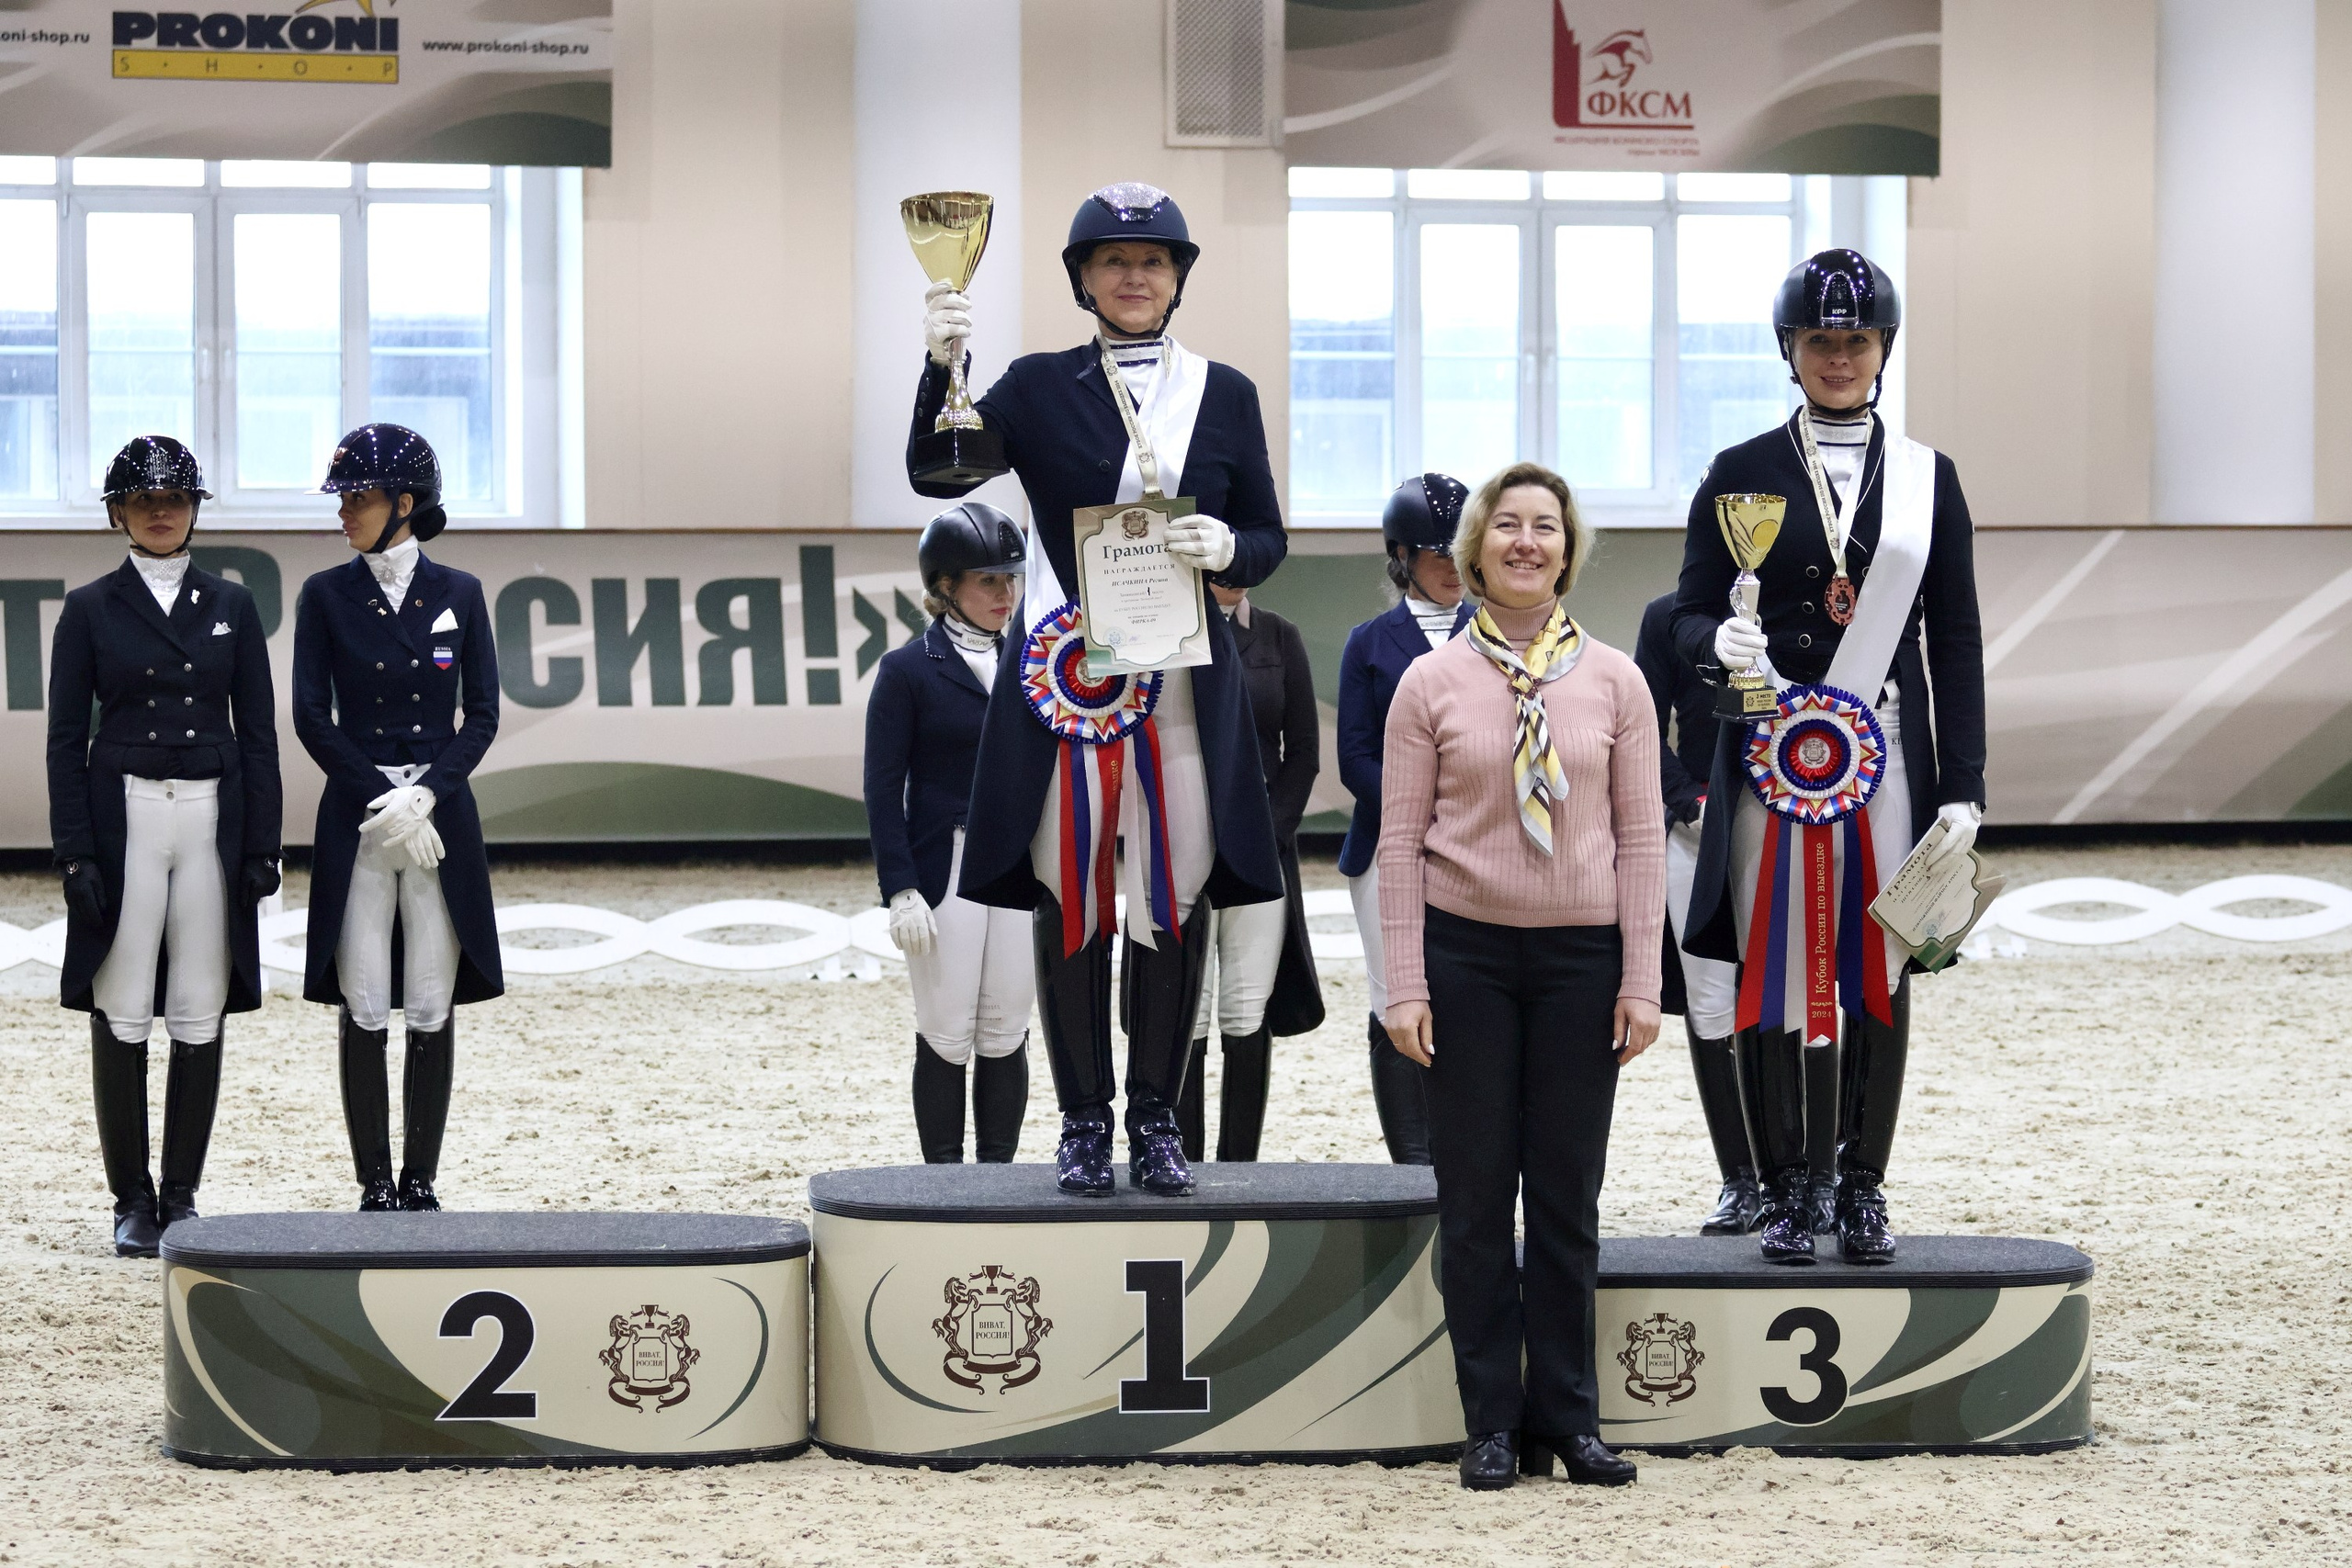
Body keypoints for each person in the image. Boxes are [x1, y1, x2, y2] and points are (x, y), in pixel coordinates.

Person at [910, 182, 1287, 1198]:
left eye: (1154, 261)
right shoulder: (1035, 386)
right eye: (1114, 262)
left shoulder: (1227, 390)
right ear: (1082, 278)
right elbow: (938, 473)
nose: (1134, 275)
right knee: (1068, 894)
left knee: (1172, 895)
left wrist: (1229, 546)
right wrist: (941, 363)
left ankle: (1157, 1114)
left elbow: (1268, 534)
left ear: (1177, 278)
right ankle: (1082, 1120)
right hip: (1065, 685)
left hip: (1177, 691)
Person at [1670, 250, 1985, 1266]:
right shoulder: (1740, 473)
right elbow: (1684, 611)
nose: (1838, 356)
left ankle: (1860, 1185)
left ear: (1882, 348)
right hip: (1772, 755)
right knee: (1773, 965)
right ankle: (1786, 1189)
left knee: (1877, 968)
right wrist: (1713, 641)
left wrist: (1966, 785)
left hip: (1881, 751)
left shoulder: (1929, 479)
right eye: (1820, 341)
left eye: (1855, 340)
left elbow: (1958, 639)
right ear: (1789, 351)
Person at [1378, 462, 1662, 1490]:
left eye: (1546, 526)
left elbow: (1640, 839)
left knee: (1565, 1197)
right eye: (1507, 526)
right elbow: (1399, 844)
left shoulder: (1617, 682)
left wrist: (1643, 982)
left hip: (1584, 965)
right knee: (1474, 1194)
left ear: (1569, 548)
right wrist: (1402, 985)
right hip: (1464, 962)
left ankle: (1571, 1421)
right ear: (1476, 546)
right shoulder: (1429, 684)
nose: (1526, 542)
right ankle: (1491, 1420)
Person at [46, 436, 280, 1256]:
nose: (160, 509)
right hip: (128, 813)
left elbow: (257, 732)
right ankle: (130, 1197)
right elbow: (66, 736)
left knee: (199, 999)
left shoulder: (232, 603)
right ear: (118, 511)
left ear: (194, 508)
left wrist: (262, 846)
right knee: (121, 1001)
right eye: (144, 498)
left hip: (212, 813)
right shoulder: (89, 608)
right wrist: (75, 852)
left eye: (174, 496)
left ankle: (181, 1194)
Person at [293, 423, 503, 1213]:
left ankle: (421, 1179)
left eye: (361, 497)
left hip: (438, 815)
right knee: (365, 996)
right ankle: (373, 1182)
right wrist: (382, 795)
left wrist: (428, 792)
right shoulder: (324, 595)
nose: (345, 512)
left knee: (429, 996)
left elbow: (481, 714)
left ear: (404, 503)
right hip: (361, 815)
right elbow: (312, 716)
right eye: (344, 498)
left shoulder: (460, 594)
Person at [865, 502, 1035, 1164]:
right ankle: (942, 1178)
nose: (1006, 593)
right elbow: (883, 786)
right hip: (950, 861)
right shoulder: (907, 670)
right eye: (988, 581)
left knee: (1005, 1028)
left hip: (1019, 862)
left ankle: (995, 1178)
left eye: (1011, 578)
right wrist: (900, 888)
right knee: (946, 1029)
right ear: (944, 588)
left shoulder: (1034, 662)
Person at [1337, 473, 1469, 1165]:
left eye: (1458, 550)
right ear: (1401, 556)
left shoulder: (1495, 633)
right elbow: (1354, 757)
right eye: (1434, 553)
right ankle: (1411, 1163)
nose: (1451, 566)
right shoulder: (1370, 642)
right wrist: (1424, 808)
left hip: (1479, 848)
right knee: (1396, 997)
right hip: (1388, 845)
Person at [1173, 579, 1321, 1163]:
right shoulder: (1165, 629)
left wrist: (1271, 836)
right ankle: (1177, 1156)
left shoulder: (1281, 637)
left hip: (1261, 845)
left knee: (1244, 1005)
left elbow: (1303, 752)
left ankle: (1241, 1166)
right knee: (1189, 1004)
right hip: (1185, 836)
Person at [1632, 591, 1763, 1235]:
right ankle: (1739, 1178)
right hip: (1697, 828)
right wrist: (1688, 802)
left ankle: (1804, 1175)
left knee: (1794, 994)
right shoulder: (1666, 619)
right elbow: (1641, 728)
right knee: (1712, 1000)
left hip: (1795, 820)